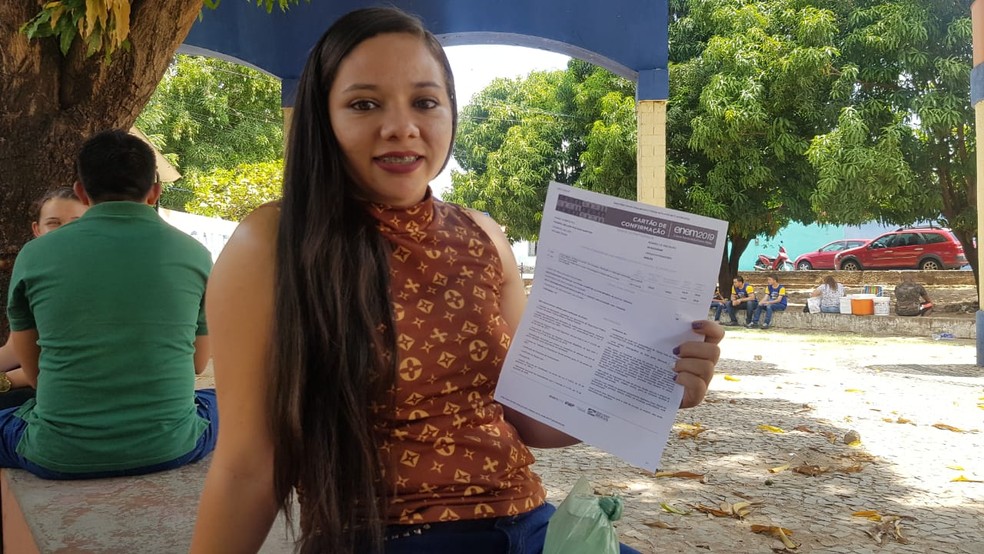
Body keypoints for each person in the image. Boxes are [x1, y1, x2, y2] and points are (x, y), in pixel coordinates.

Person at [190, 7, 721, 554]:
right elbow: (249, 466)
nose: (402, 126)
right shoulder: (272, 244)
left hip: (531, 524)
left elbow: (531, 421)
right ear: (323, 120)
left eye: (425, 102)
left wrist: (654, 383)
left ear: (450, 114)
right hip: (387, 536)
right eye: (364, 103)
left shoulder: (485, 238)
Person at [0, 129, 217, 479]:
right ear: (155, 192)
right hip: (172, 447)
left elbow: (37, 375)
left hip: (57, 454)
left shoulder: (35, 254)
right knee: (218, 402)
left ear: (81, 192)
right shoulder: (195, 254)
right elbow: (197, 363)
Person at [0, 187, 89, 410]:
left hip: (70, 395)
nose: (64, 232)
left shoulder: (95, 278)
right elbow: (14, 350)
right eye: (54, 223)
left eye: (75, 222)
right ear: (37, 229)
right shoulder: (37, 275)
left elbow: (60, 368)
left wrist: (4, 381)